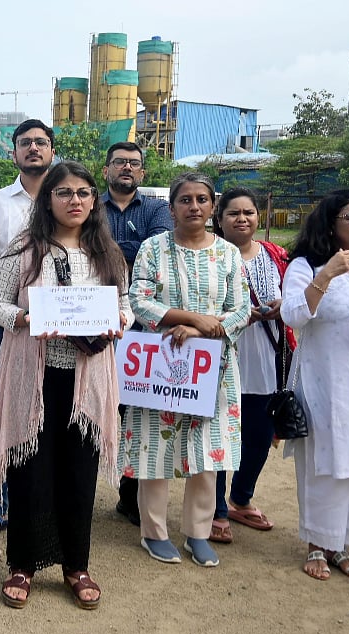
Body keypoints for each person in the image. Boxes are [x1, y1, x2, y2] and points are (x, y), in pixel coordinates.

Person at [0, 161, 129, 609]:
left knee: (79, 471)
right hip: (36, 374)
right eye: (65, 192)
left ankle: (76, 565)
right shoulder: (27, 248)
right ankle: (23, 565)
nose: (76, 201)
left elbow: (123, 304)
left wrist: (121, 321)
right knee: (31, 469)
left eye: (85, 192)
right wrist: (27, 319)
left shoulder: (106, 251)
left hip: (87, 380)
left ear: (94, 199)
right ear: (47, 198)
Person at [121, 172, 249, 568]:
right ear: (172, 206)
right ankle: (153, 532)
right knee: (154, 449)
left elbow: (241, 308)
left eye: (202, 199)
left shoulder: (227, 254)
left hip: (214, 366)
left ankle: (198, 533)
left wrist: (198, 329)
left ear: (213, 207)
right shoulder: (152, 248)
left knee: (206, 453)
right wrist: (188, 318)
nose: (194, 207)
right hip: (160, 365)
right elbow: (138, 299)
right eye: (185, 200)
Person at [281, 188, 349, 581]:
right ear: (331, 223)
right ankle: (316, 543)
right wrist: (328, 273)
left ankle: (340, 544)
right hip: (323, 378)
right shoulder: (306, 266)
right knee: (325, 461)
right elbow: (293, 316)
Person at [0, 119, 54, 542]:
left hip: (61, 330)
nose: (33, 148)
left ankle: (41, 500)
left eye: (41, 142)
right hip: (7, 325)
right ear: (13, 152)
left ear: (52, 150)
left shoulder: (69, 198)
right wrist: (2, 307)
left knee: (52, 411)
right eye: (25, 143)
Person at [210, 187, 288, 544]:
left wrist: (281, 307)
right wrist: (240, 316)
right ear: (220, 219)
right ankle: (216, 510)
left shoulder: (276, 255)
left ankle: (241, 499)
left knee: (258, 435)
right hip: (222, 354)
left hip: (266, 356)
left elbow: (298, 297)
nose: (242, 219)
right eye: (233, 213)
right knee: (218, 435)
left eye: (249, 212)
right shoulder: (211, 254)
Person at [102, 142, 173, 528]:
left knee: (136, 411)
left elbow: (155, 252)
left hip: (144, 323)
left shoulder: (158, 209)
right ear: (106, 170)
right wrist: (126, 252)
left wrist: (108, 251)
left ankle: (129, 496)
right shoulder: (90, 204)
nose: (126, 168)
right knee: (90, 404)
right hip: (93, 317)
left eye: (134, 164)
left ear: (142, 173)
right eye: (119, 163)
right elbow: (83, 248)